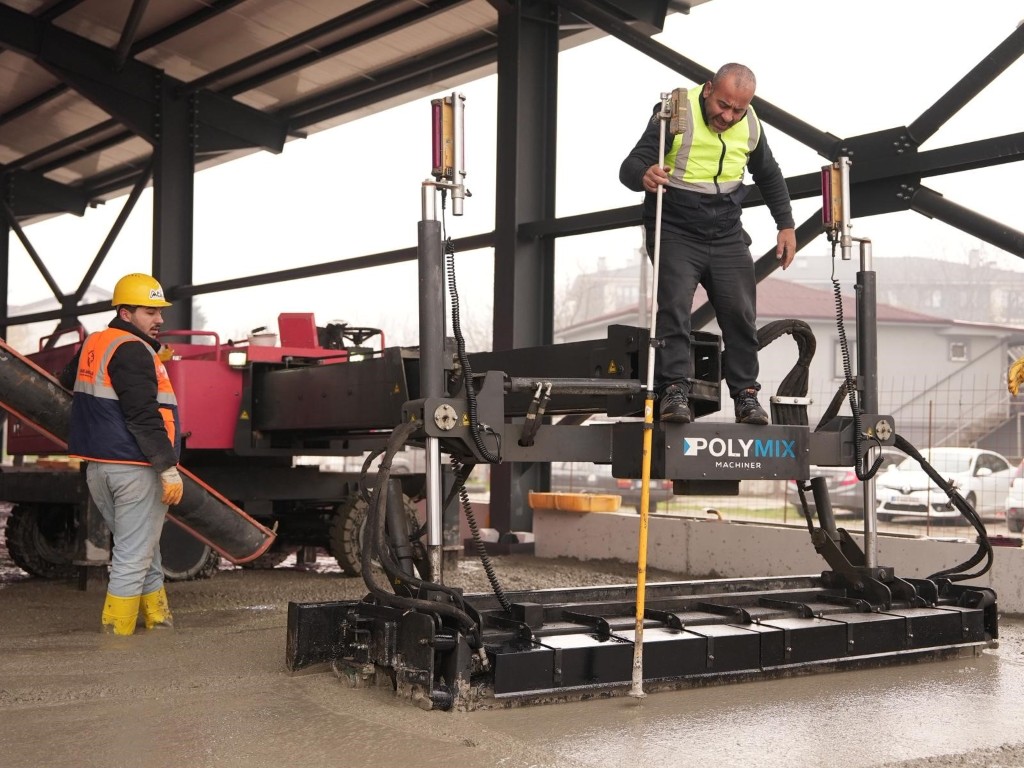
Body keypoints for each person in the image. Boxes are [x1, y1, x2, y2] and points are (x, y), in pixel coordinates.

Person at [619, 63, 797, 424]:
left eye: (738, 110)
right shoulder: (675, 112)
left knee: (740, 314)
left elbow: (769, 174)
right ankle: (674, 391)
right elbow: (631, 165)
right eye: (723, 105)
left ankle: (746, 396)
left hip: (726, 231)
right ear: (708, 89)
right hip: (676, 229)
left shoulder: (750, 124)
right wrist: (644, 174)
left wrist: (786, 225)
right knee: (674, 309)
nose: (728, 116)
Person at [64, 273, 183, 635]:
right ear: (126, 313)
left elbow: (66, 379)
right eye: (150, 311)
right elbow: (144, 415)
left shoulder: (97, 342)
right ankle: (117, 639)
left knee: (144, 549)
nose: (160, 318)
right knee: (132, 556)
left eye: (159, 311)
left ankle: (159, 621)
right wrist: (167, 467)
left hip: (100, 468)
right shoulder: (133, 350)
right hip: (135, 467)